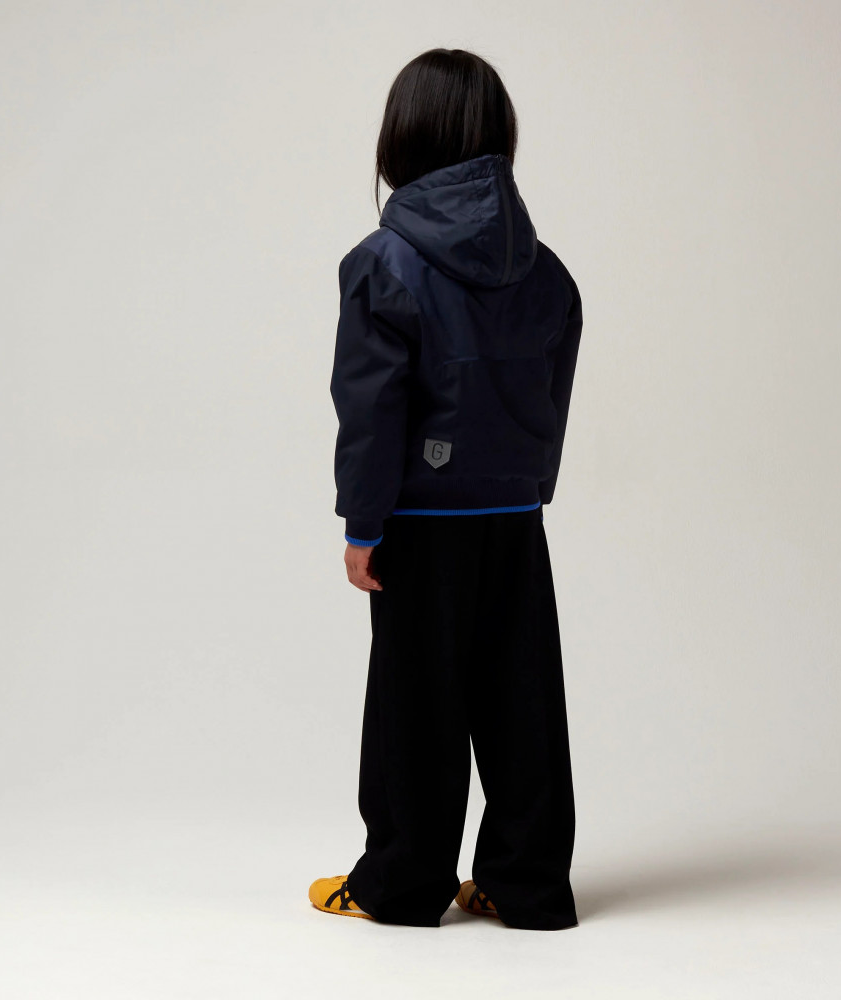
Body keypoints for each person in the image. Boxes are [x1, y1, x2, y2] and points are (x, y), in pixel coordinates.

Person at [308, 47, 583, 931]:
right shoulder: (545, 269)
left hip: (421, 523)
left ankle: (400, 883)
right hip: (514, 515)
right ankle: (525, 883)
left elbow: (371, 408)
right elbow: (552, 392)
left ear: (402, 136)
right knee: (522, 698)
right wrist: (530, 485)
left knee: (414, 701)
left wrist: (363, 523)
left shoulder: (381, 263)